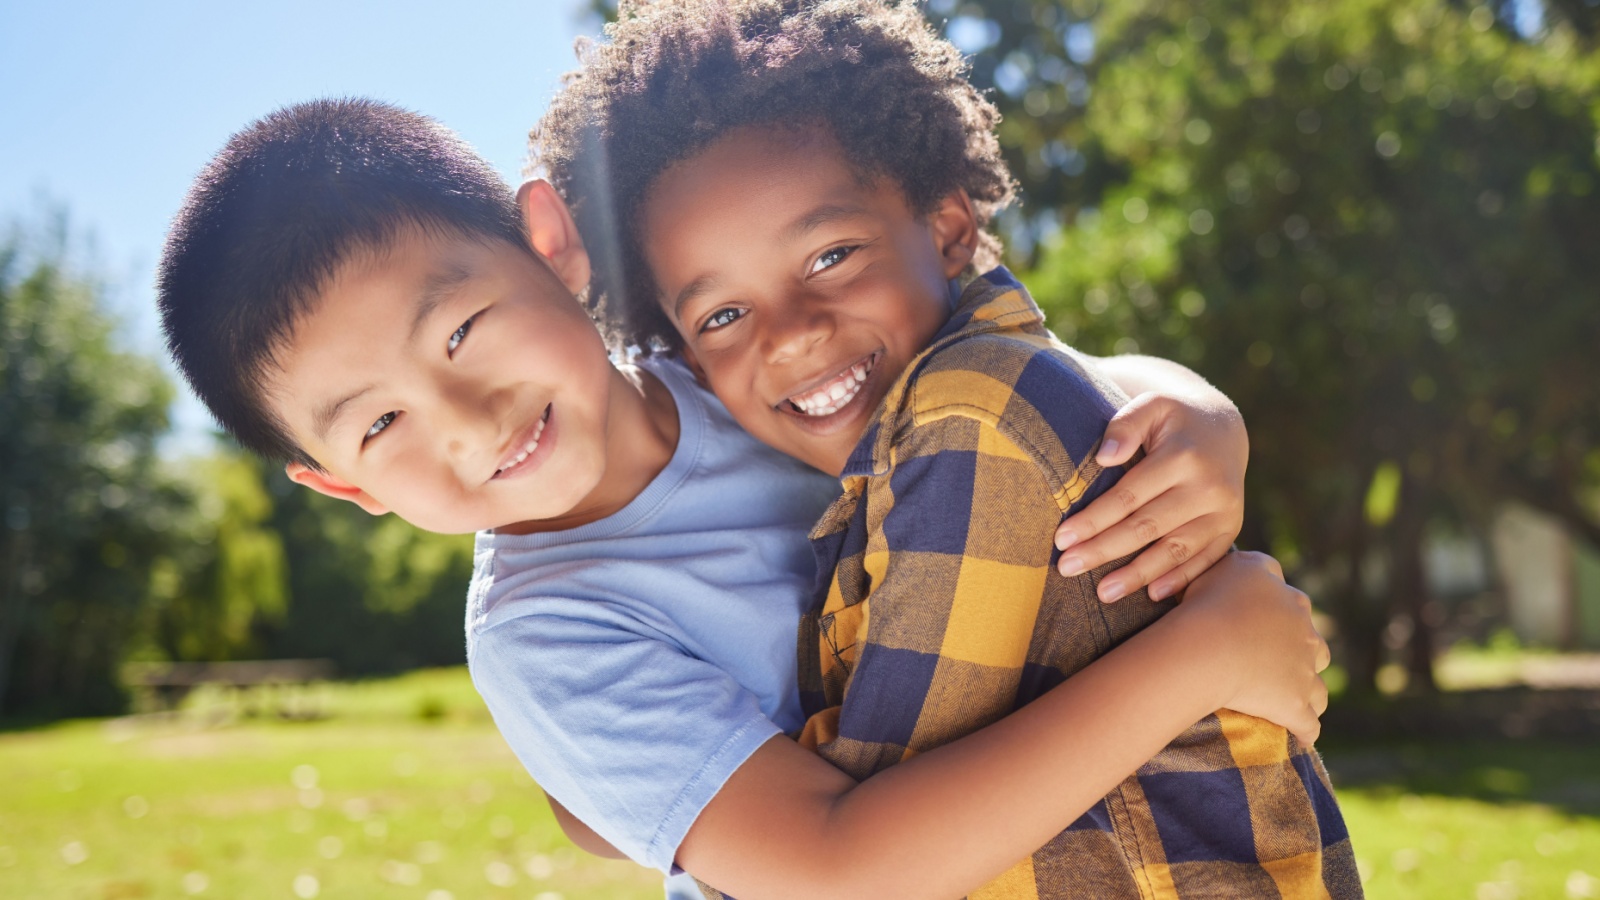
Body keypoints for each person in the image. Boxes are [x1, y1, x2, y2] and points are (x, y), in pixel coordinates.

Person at [157, 97, 1330, 900]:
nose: (466, 420)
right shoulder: (545, 632)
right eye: (379, 423)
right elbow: (835, 871)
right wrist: (1198, 657)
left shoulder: (742, 361)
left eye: (461, 330)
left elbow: (998, 388)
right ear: (340, 484)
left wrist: (1189, 408)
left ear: (551, 245)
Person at [533, 1, 1359, 897]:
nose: (792, 337)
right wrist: (624, 794)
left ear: (951, 228)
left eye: (830, 256)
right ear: (689, 355)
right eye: (724, 314)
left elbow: (868, 845)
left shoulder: (969, 425)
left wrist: (660, 799)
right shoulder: (888, 437)